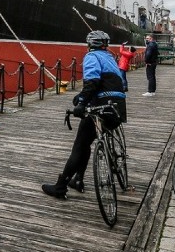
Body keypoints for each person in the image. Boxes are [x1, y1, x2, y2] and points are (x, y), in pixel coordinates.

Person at [42, 30, 125, 198]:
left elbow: (93, 82)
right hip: (118, 108)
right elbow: (110, 83)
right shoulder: (110, 58)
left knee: (80, 145)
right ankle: (78, 179)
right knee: (87, 140)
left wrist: (81, 104)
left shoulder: (91, 57)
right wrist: (80, 96)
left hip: (100, 107)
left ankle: (61, 186)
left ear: (89, 45)